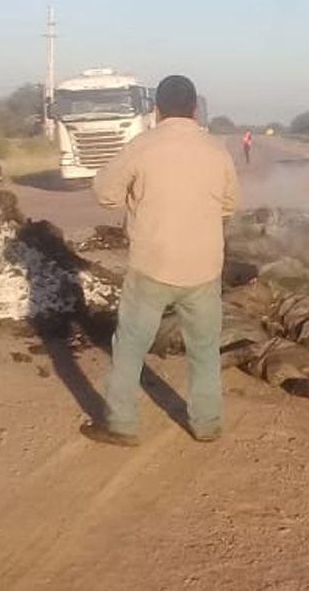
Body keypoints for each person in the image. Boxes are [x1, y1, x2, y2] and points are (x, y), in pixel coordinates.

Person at [84, 75, 240, 446]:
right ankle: (207, 424)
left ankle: (121, 424)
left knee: (130, 347)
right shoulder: (216, 150)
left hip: (152, 265)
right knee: (204, 349)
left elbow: (103, 192)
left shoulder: (142, 146)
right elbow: (230, 205)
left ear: (155, 110)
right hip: (203, 268)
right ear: (195, 109)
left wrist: (137, 201)